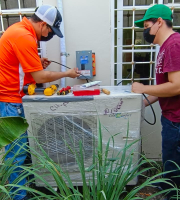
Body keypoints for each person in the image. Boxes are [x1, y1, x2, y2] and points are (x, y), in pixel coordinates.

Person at [0, 4, 79, 200]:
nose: (49, 35)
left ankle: (23, 190)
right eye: (51, 32)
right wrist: (68, 73)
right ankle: (19, 196)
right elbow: (40, 77)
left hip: (14, 100)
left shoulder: (19, 31)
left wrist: (36, 63)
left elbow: (22, 68)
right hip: (12, 102)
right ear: (43, 24)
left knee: (22, 151)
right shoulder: (24, 36)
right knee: (16, 154)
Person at [132, 4, 180, 200]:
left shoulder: (174, 45)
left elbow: (176, 86)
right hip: (170, 119)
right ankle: (167, 187)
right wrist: (144, 102)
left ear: (160, 22)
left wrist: (143, 88)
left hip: (177, 121)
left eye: (146, 25)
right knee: (169, 162)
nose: (145, 30)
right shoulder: (163, 48)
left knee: (174, 168)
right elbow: (166, 88)